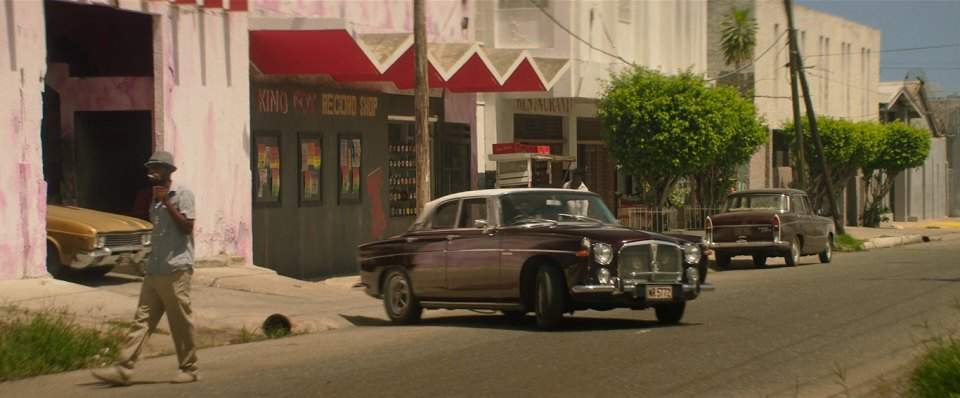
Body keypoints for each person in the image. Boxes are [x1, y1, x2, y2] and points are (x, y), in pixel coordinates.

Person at [92, 151, 199, 385]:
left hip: (176, 269)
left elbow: (187, 227)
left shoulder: (182, 194)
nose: (152, 173)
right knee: (142, 319)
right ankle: (124, 368)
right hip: (155, 269)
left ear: (168, 171)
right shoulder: (153, 199)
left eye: (156, 168)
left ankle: (189, 368)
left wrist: (167, 202)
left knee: (179, 321)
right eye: (150, 168)